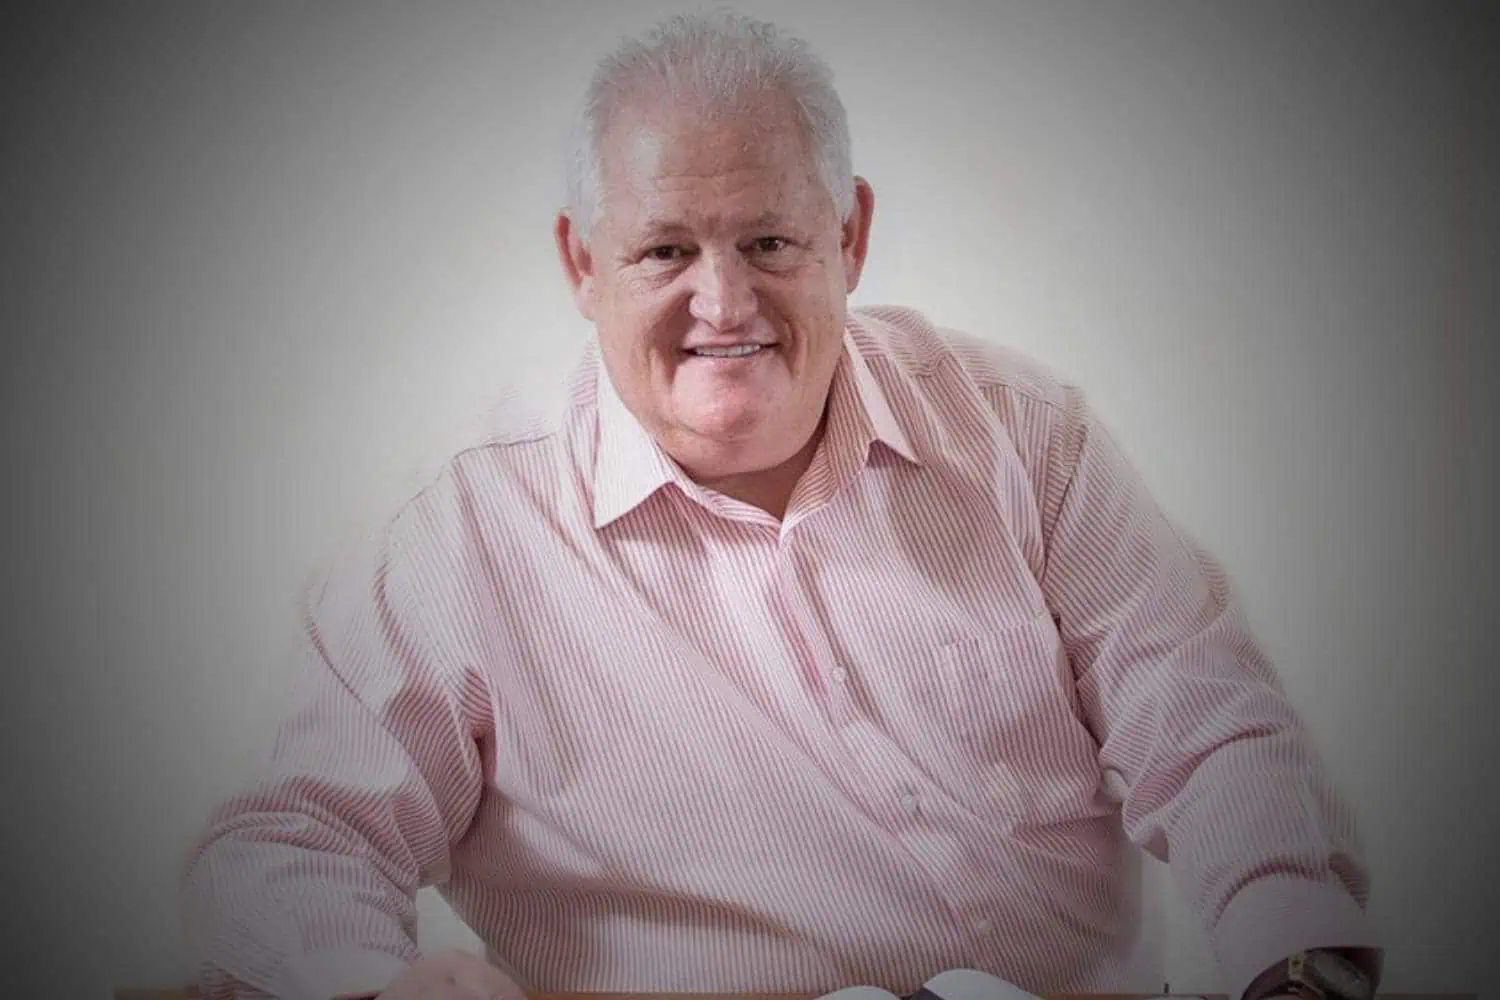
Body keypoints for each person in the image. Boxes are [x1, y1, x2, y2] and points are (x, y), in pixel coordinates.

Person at [181, 11, 1383, 1000]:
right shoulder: (458, 535)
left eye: (768, 240)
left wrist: (1294, 960)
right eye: (665, 251)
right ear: (581, 263)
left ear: (849, 236)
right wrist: (373, 985)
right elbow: (292, 840)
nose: (724, 303)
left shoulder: (1023, 432)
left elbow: (1209, 728)